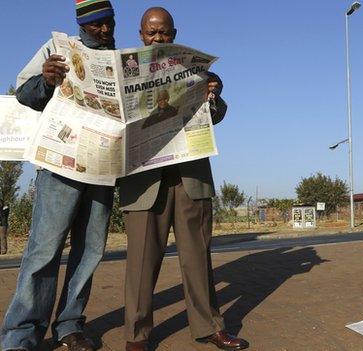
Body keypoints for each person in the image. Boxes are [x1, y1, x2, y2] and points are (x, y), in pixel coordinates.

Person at [119, 7, 248, 351]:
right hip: (144, 181)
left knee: (197, 256)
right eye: (151, 33)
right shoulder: (123, 73)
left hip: (190, 177)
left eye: (164, 33)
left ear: (174, 35)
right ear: (141, 35)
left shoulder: (197, 71)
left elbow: (217, 115)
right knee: (141, 263)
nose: (158, 39)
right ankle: (137, 334)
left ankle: (209, 326)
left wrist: (213, 96)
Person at [0, 2, 116, 350]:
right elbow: (23, 92)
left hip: (102, 168)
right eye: (96, 25)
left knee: (90, 250)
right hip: (60, 167)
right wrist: (46, 80)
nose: (105, 31)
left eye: (109, 23)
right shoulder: (56, 49)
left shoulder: (121, 58)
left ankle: (70, 325)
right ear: (82, 25)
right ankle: (22, 333)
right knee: (44, 250)